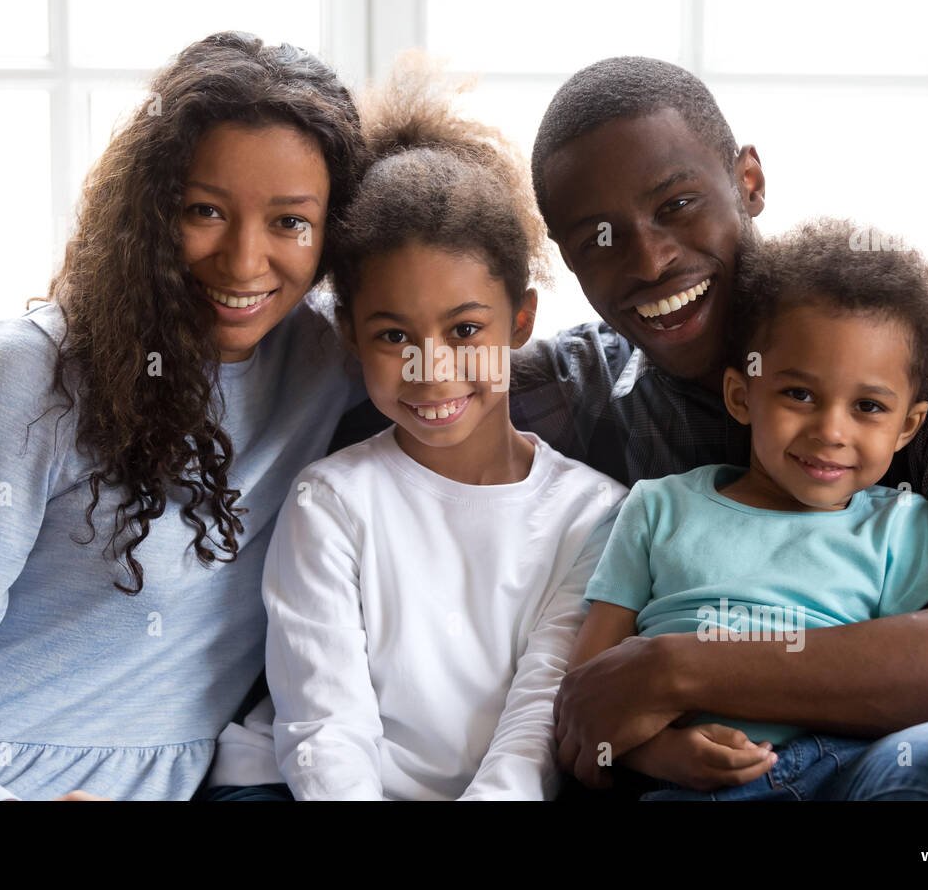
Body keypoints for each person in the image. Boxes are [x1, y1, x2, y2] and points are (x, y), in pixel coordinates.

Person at [0, 56, 928, 801]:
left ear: (748, 182)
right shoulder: (568, 384)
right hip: (673, 779)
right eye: (597, 236)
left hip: (871, 766)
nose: (647, 259)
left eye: (677, 206)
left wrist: (674, 667)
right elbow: (336, 313)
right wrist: (26, 393)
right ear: (556, 268)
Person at [0, 31, 369, 800]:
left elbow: (478, 340)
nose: (243, 261)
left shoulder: (338, 359)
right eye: (204, 210)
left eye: (290, 222)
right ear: (150, 210)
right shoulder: (33, 369)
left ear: (336, 231)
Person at [204, 56, 626, 800]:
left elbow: (537, 719)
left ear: (521, 320)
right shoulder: (331, 501)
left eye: (465, 330)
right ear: (350, 334)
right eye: (394, 336)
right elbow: (324, 727)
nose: (432, 369)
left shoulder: (595, 515)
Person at [567, 216, 928, 799]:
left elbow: (924, 695)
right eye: (798, 394)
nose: (830, 431)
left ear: (908, 427)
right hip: (689, 786)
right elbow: (587, 692)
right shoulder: (656, 508)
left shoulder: (899, 526)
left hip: (846, 772)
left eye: (868, 407)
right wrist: (661, 754)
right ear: (740, 395)